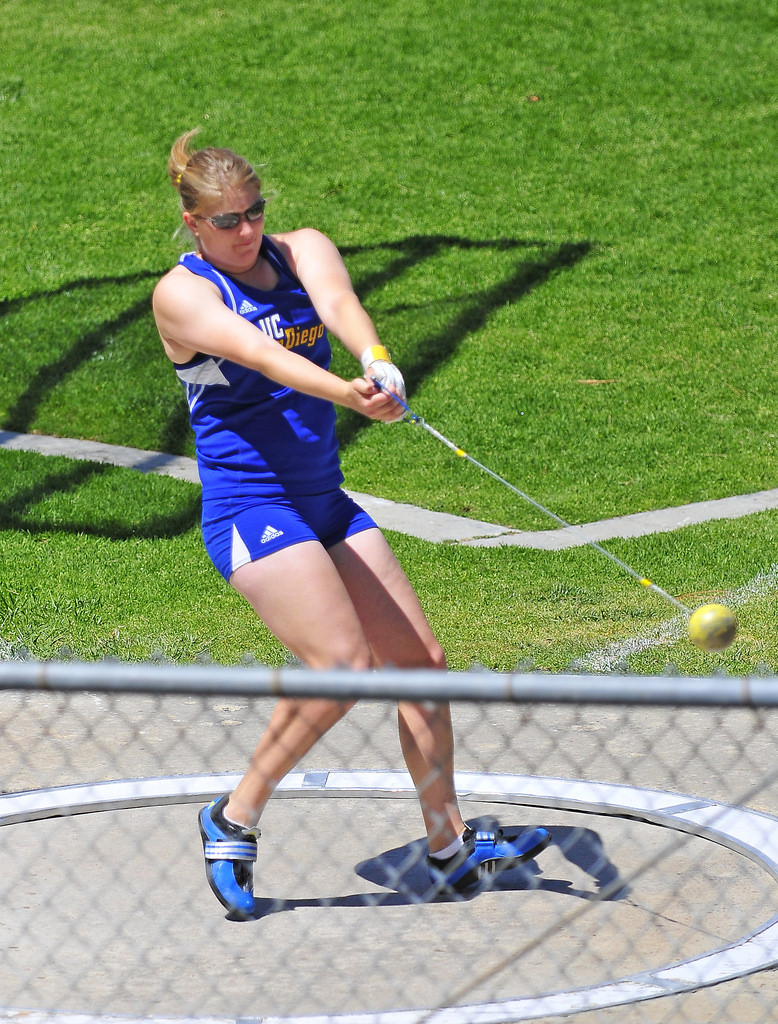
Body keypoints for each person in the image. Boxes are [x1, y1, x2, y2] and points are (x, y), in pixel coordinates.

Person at [152, 129, 550, 917]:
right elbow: (264, 359)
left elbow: (338, 307)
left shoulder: (302, 251)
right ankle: (232, 819)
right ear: (193, 224)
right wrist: (348, 395)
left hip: (322, 499)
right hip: (251, 507)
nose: (247, 231)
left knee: (420, 663)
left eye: (255, 212)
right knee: (342, 667)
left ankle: (447, 847)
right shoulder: (185, 295)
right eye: (227, 221)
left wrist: (376, 360)